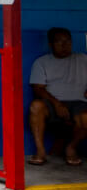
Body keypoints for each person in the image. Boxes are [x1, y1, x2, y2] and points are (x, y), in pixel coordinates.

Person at [28, 27, 87, 166]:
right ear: (50, 44)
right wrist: (57, 104)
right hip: (53, 104)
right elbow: (38, 89)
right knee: (36, 106)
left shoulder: (83, 59)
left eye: (67, 41)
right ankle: (40, 151)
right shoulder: (41, 62)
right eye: (59, 42)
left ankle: (71, 148)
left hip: (79, 103)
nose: (64, 45)